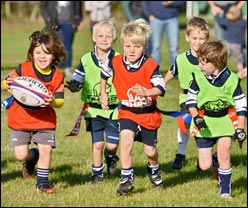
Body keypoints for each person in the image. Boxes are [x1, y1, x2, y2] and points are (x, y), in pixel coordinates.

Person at [100, 18, 166, 195]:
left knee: (150, 151)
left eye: (136, 47)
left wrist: (146, 92)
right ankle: (126, 180)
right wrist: (103, 94)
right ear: (123, 44)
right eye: (128, 46)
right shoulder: (115, 61)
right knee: (126, 142)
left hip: (147, 114)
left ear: (144, 47)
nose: (132, 51)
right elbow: (104, 75)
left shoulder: (150, 65)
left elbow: (161, 88)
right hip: (127, 112)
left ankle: (154, 169)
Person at [1, 27, 67, 194]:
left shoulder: (58, 76)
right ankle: (32, 158)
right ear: (32, 54)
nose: (42, 57)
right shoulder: (23, 68)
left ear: (54, 55)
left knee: (46, 148)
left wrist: (52, 101)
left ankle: (43, 183)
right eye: (38, 53)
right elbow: (6, 81)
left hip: (45, 120)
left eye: (46, 53)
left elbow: (60, 101)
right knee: (21, 155)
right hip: (20, 118)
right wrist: (6, 85)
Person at [186, 40, 247, 200]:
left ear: (216, 62)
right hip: (203, 121)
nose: (199, 66)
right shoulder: (198, 78)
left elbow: (241, 106)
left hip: (224, 121)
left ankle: (225, 192)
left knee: (224, 155)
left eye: (203, 63)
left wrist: (240, 129)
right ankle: (214, 159)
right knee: (205, 165)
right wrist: (196, 117)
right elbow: (190, 101)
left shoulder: (233, 80)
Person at [65, 18, 120, 184]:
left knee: (111, 145)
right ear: (93, 37)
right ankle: (97, 174)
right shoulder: (86, 59)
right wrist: (75, 84)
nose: (104, 39)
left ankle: (110, 157)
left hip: (114, 109)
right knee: (98, 144)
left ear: (114, 38)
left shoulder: (119, 59)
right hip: (93, 109)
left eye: (108, 36)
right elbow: (78, 77)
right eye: (100, 35)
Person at [164, 16, 210, 170]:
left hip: (206, 98)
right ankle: (181, 153)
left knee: (205, 127)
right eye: (195, 38)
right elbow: (172, 72)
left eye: (202, 38)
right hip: (187, 98)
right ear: (187, 37)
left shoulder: (210, 59)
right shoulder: (181, 59)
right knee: (186, 121)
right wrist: (160, 86)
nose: (198, 42)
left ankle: (204, 158)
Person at [40, 1, 83, 77]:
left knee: (68, 46)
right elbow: (43, 6)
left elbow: (78, 6)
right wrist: (47, 18)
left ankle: (67, 68)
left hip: (69, 23)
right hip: (53, 22)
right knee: (52, 45)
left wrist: (78, 20)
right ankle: (51, 68)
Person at [144, 1, 186, 66]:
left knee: (174, 48)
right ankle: (156, 72)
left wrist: (173, 2)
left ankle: (175, 70)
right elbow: (145, 2)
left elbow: (182, 2)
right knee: (156, 47)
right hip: (155, 19)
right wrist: (149, 14)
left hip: (172, 18)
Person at [208, 1, 247, 67]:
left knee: (223, 55)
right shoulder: (242, 22)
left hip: (228, 45)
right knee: (238, 60)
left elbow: (220, 21)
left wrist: (216, 15)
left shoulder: (227, 22)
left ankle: (220, 67)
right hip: (237, 46)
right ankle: (241, 70)